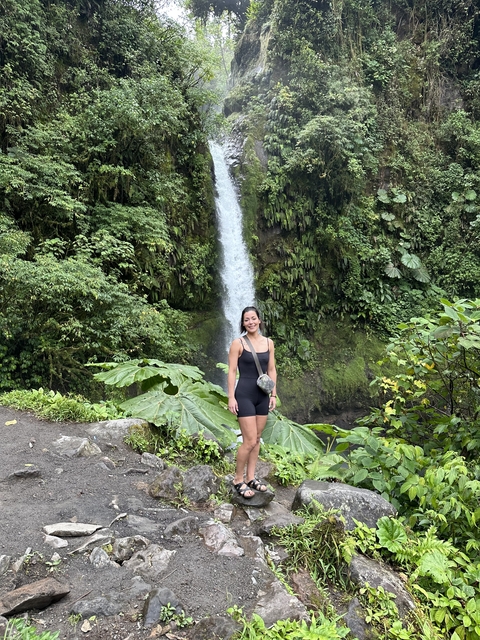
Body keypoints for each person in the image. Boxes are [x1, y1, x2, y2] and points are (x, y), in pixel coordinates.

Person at [227, 306, 277, 498]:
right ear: (243, 323)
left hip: (262, 395)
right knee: (248, 441)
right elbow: (232, 371)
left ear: (259, 320)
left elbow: (271, 369)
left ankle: (251, 477)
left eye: (253, 318)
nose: (251, 322)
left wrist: (273, 394)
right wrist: (231, 397)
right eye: (247, 319)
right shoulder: (238, 343)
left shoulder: (269, 343)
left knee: (257, 439)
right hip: (245, 394)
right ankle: (237, 479)